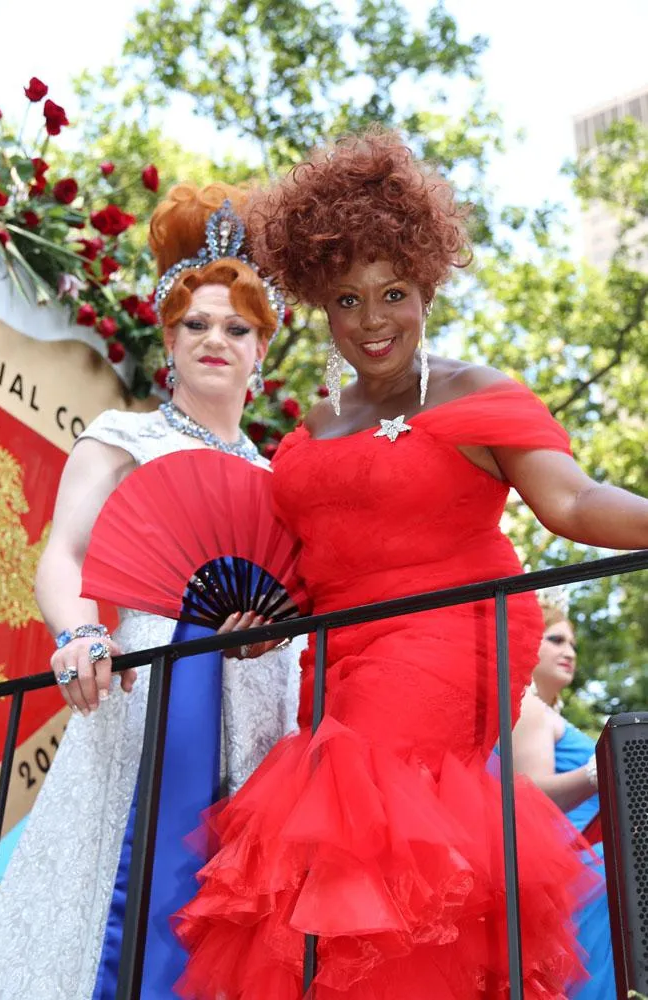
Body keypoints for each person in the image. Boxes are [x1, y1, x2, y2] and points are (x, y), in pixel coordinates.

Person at [173, 130, 648, 1000]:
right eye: (346, 299)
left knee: (356, 815)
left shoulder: (475, 392)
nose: (372, 320)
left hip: (449, 632)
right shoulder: (313, 426)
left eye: (392, 292)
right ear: (320, 303)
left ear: (427, 285)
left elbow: (575, 503)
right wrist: (262, 626)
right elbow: (309, 564)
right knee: (343, 854)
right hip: (336, 657)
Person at [0, 183, 302, 1000]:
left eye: (236, 328)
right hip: (145, 694)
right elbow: (63, 557)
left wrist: (274, 628)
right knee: (118, 891)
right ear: (168, 337)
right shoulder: (123, 438)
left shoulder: (282, 481)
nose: (215, 339)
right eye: (195, 324)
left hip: (261, 709)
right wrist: (80, 634)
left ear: (261, 349)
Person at [512, 596, 616, 999]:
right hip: (575, 878)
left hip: (583, 875)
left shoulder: (547, 714)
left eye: (573, 644)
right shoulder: (529, 708)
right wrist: (601, 770)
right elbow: (529, 794)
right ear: (526, 643)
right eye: (555, 640)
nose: (569, 652)